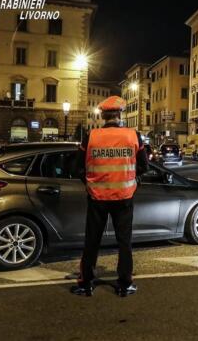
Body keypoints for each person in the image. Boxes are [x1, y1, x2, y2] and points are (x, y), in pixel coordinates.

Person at [70, 95, 148, 297]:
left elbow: (77, 168)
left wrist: (89, 183)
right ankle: (124, 284)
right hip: (124, 196)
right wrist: (132, 179)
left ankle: (86, 284)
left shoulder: (91, 136)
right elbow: (143, 166)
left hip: (97, 197)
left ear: (102, 116)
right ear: (120, 115)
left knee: (92, 241)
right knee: (124, 242)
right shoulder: (133, 135)